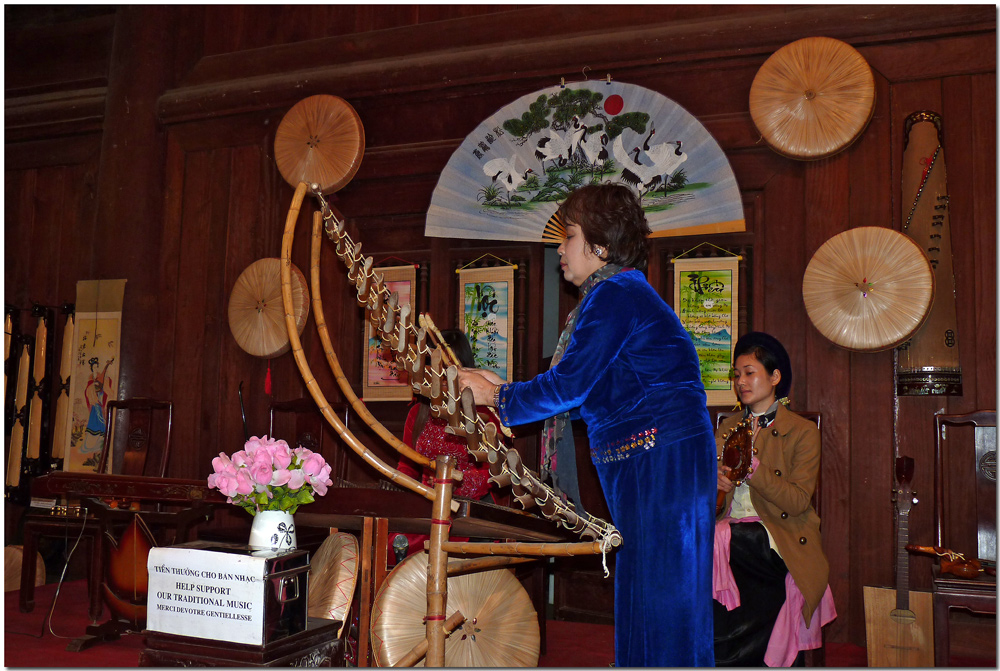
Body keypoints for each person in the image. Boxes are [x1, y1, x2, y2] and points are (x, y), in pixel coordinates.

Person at [458, 183, 716, 667]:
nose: (560, 247)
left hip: (662, 459)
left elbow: (571, 385)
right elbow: (591, 391)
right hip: (653, 459)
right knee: (648, 593)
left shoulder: (616, 294)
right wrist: (504, 387)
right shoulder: (616, 294)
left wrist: (496, 394)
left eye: (568, 235)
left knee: (664, 598)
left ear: (599, 245)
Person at [713, 332, 836, 666]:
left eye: (750, 372)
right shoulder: (726, 428)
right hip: (733, 534)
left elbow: (797, 502)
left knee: (730, 539)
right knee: (711, 538)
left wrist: (753, 469)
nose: (741, 381)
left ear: (775, 376)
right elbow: (713, 506)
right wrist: (720, 486)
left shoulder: (802, 431)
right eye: (737, 374)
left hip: (781, 535)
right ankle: (722, 652)